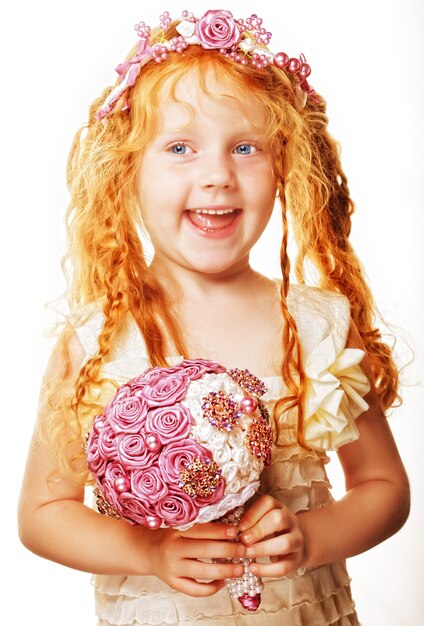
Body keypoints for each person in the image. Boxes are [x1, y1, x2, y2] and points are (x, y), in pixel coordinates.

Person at [18, 8, 410, 626]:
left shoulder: (317, 325)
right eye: (180, 148)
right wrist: (145, 549)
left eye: (245, 148)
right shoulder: (99, 337)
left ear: (283, 168)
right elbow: (43, 514)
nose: (218, 176)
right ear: (128, 171)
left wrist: (311, 537)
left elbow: (384, 489)